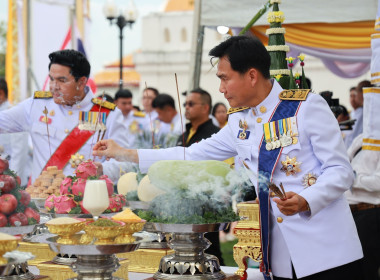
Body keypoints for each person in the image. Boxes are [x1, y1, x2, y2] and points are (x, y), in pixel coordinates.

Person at [93, 36, 363, 279]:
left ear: (252, 76)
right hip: (280, 255)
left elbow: (341, 171)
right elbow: (191, 154)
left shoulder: (305, 107)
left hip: (328, 254)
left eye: (224, 78)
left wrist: (307, 199)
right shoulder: (240, 122)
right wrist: (124, 153)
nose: (221, 88)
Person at [0, 49, 129, 183]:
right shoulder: (36, 105)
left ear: (82, 82)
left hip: (85, 201)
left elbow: (126, 164)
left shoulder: (108, 114)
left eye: (62, 80)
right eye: (51, 79)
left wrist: (102, 169)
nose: (54, 86)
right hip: (41, 200)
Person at [345, 88, 380, 280]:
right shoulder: (360, 138)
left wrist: (354, 178)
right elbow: (344, 166)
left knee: (366, 269)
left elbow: (378, 182)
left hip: (370, 212)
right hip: (349, 212)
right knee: (350, 269)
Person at [0, 78, 31, 186]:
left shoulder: (13, 115)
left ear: (1, 94)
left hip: (14, 180)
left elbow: (19, 153)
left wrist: (12, 184)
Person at [345, 80, 370, 149]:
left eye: (355, 95)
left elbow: (353, 136)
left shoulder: (362, 112)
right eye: (351, 96)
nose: (354, 99)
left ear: (361, 93)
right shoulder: (353, 113)